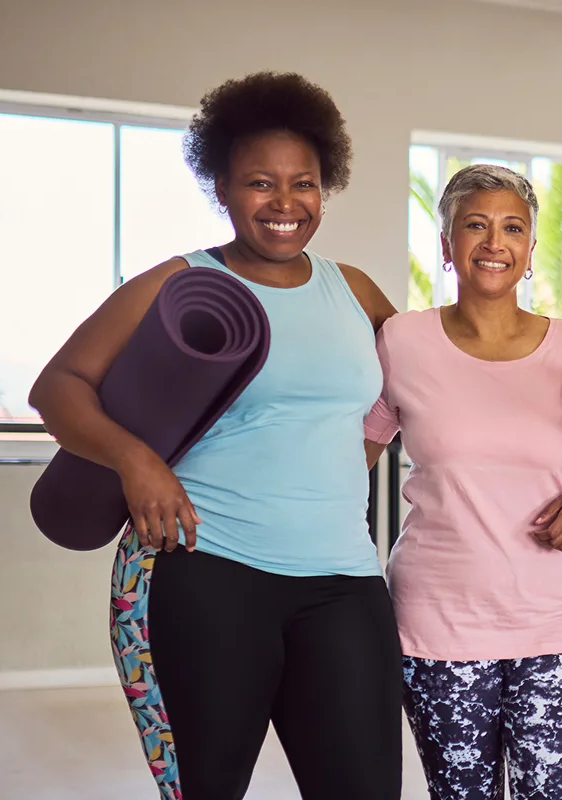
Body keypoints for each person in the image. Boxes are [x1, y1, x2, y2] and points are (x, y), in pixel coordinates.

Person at [30, 72, 404, 799]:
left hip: (344, 580)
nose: (286, 203)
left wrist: (557, 346)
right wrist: (137, 461)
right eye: (260, 182)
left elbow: (436, 374)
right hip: (207, 570)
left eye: (305, 183)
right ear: (221, 188)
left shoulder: (352, 289)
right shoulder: (180, 282)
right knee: (209, 786)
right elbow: (57, 387)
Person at [362, 163, 562, 800]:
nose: (495, 242)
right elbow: (354, 452)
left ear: (530, 250)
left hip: (555, 621)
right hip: (436, 621)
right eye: (475, 226)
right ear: (446, 245)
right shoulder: (402, 342)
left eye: (512, 227)